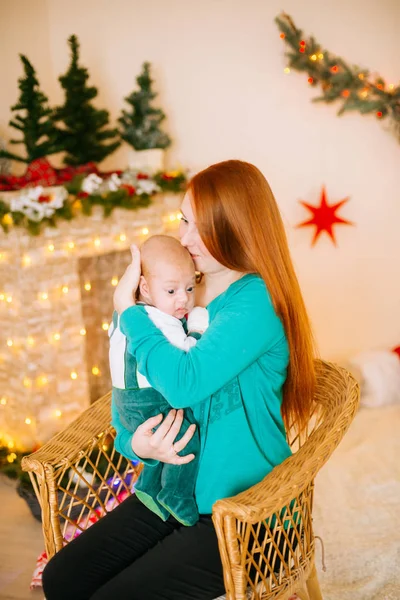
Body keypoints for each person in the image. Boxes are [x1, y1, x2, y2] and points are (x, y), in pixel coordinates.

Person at [42, 159, 315, 600]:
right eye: (183, 220)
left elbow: (184, 383)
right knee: (63, 579)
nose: (184, 238)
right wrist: (137, 446)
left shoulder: (255, 301)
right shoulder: (181, 292)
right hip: (177, 494)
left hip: (249, 516)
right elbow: (133, 390)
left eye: (198, 226)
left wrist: (128, 310)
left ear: (235, 227)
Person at [109, 234, 209, 526]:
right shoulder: (162, 323)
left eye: (190, 288)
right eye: (171, 291)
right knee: (185, 439)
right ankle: (176, 495)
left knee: (162, 445)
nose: (184, 299)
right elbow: (188, 361)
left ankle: (150, 488)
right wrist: (198, 325)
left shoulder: (121, 317)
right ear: (145, 288)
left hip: (124, 403)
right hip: (150, 400)